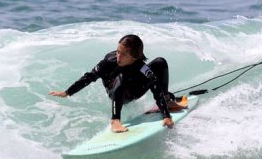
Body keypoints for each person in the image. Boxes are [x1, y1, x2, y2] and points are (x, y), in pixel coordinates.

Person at [49, 34, 184, 133]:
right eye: (118, 51)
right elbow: (89, 77)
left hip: (134, 91)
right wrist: (67, 92)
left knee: (160, 62)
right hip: (116, 92)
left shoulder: (142, 67)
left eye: (123, 54)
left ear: (134, 57)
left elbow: (155, 88)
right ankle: (115, 121)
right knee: (122, 75)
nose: (118, 56)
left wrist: (166, 115)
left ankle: (167, 102)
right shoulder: (109, 61)